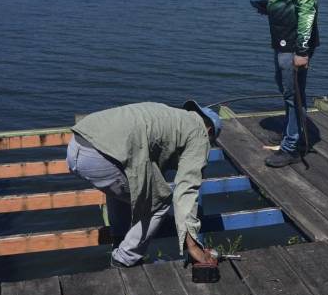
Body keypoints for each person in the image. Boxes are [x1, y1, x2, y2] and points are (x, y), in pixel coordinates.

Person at [67, 100, 221, 268]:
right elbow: (186, 192)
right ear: (210, 130)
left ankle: (120, 239)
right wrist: (192, 245)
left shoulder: (172, 115)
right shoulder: (200, 134)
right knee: (160, 202)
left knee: (128, 184)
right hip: (101, 158)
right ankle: (124, 259)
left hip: (78, 143)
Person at [242, 0, 320, 168]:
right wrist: (271, 6)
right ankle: (293, 133)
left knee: (294, 93)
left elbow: (308, 10)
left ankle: (293, 146)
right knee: (288, 90)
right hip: (283, 39)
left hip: (294, 43)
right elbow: (290, 0)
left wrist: (302, 51)